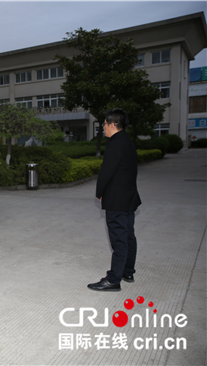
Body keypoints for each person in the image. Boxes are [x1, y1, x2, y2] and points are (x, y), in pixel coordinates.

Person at [88, 108, 142, 292]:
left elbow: (106, 171)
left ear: (112, 124)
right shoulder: (127, 141)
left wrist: (100, 191)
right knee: (128, 235)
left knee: (119, 239)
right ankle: (128, 271)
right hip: (129, 197)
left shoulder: (114, 144)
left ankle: (113, 279)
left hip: (117, 199)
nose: (103, 127)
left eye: (104, 124)